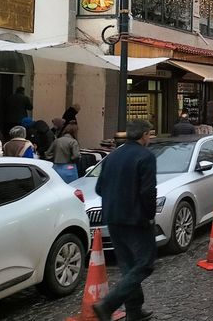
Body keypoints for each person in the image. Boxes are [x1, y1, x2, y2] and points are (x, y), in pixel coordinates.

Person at [92, 120, 156, 321]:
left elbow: (99, 188)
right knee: (144, 264)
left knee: (128, 266)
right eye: (149, 135)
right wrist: (149, 215)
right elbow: (148, 191)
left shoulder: (113, 156)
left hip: (113, 217)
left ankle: (134, 311)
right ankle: (108, 304)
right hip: (136, 219)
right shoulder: (146, 156)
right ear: (144, 135)